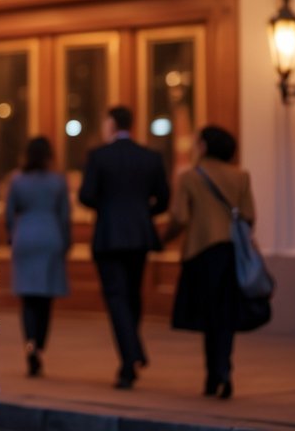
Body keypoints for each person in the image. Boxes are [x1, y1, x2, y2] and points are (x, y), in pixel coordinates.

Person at [78, 105, 169, 389]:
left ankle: (131, 357)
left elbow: (86, 195)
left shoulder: (98, 156)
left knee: (116, 296)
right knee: (132, 295)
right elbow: (164, 199)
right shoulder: (150, 157)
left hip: (108, 235)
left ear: (111, 123)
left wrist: (108, 209)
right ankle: (131, 358)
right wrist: (141, 213)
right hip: (140, 235)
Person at [165, 125, 256, 399]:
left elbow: (180, 217)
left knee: (208, 315)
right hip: (230, 251)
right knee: (225, 314)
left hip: (201, 252)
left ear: (203, 146)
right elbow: (249, 216)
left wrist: (163, 239)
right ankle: (225, 370)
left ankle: (212, 376)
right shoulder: (241, 176)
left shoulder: (190, 177)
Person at [6, 135, 70, 378]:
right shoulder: (58, 182)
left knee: (28, 299)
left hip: (26, 237)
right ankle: (40, 347)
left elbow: (11, 214)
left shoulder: (18, 180)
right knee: (45, 300)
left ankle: (29, 344)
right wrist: (66, 243)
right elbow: (64, 216)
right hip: (51, 236)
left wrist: (14, 236)